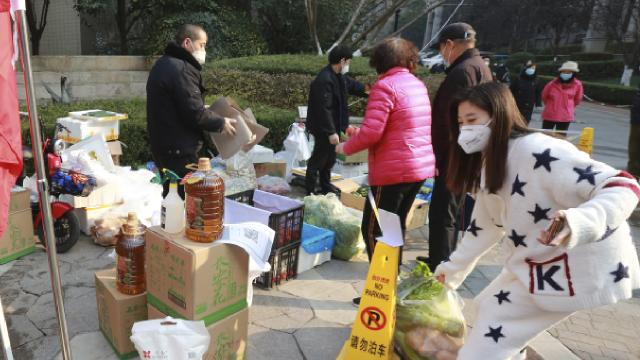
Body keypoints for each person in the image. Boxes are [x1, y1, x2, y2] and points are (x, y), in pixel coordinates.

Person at [434, 82, 640, 359]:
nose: (466, 130)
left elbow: (622, 185)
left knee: (492, 333)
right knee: (488, 309)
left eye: (472, 120)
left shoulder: (539, 151)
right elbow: (483, 229)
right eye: (461, 123)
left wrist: (581, 222)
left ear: (499, 115)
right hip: (540, 264)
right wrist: (448, 273)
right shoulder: (491, 164)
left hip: (575, 263)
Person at [336, 38, 435, 305]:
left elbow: (373, 133)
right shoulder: (416, 85)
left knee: (373, 230)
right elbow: (396, 128)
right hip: (417, 169)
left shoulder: (385, 86)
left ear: (380, 61)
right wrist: (361, 134)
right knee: (393, 229)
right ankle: (389, 288)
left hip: (393, 172)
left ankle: (378, 291)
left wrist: (346, 147)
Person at [417, 22, 493, 270]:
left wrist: (441, 159)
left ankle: (441, 264)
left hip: (454, 154)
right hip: (465, 152)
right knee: (450, 209)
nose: (442, 54)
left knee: (444, 212)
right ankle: (440, 256)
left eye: (441, 49)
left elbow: (449, 121)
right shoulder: (480, 67)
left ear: (449, 44)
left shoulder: (462, 72)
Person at [147, 24, 236, 199]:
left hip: (165, 147)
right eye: (202, 44)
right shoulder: (182, 69)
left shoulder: (163, 64)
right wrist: (221, 122)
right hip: (181, 151)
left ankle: (171, 226)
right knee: (187, 200)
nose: (204, 50)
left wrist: (206, 109)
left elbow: (179, 105)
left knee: (171, 196)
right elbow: (195, 113)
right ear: (187, 42)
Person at [305, 45, 368, 195]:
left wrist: (375, 90)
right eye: (348, 62)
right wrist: (331, 132)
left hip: (334, 126)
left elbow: (356, 87)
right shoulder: (324, 80)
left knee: (330, 159)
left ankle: (325, 186)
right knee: (318, 159)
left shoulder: (340, 77)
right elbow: (323, 109)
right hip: (323, 128)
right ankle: (310, 191)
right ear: (342, 61)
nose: (348, 65)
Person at [541, 61, 584, 132]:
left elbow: (577, 99)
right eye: (563, 72)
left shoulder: (578, 85)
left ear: (573, 74)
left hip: (565, 116)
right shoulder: (552, 84)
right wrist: (551, 105)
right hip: (550, 114)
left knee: (561, 137)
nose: (565, 74)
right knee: (546, 136)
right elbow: (544, 96)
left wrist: (568, 106)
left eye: (568, 73)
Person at [628, 86, 640, 179]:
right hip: (636, 122)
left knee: (634, 149)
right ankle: (633, 175)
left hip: (636, 121)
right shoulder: (638, 94)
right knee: (634, 150)